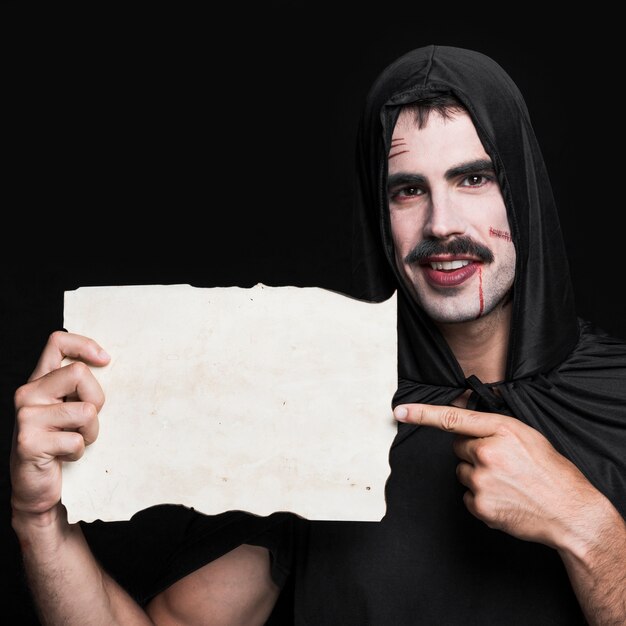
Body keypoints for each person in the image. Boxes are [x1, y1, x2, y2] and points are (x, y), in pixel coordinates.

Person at [10, 44, 626, 625]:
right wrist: (38, 522)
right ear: (376, 215)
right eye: (408, 190)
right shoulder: (315, 406)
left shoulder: (618, 399)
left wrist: (587, 527)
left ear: (523, 190)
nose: (442, 225)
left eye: (474, 179)